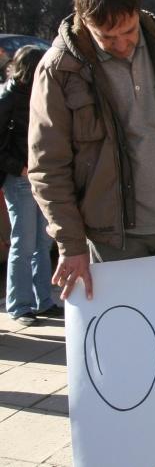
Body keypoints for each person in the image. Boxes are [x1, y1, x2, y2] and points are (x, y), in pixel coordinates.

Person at [28, 0, 155, 300]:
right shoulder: (58, 69)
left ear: (137, 11)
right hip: (113, 240)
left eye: (128, 32)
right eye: (107, 37)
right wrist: (71, 243)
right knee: (128, 342)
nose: (121, 44)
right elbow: (47, 167)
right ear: (84, 22)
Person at [0, 45, 57, 326]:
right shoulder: (9, 98)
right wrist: (19, 168)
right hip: (21, 178)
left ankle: (43, 300)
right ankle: (19, 305)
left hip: (39, 176)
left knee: (43, 242)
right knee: (24, 243)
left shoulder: (39, 94)